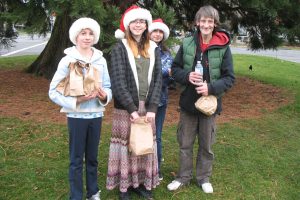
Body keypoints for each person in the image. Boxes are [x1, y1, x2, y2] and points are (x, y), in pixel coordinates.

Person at [167, 5, 235, 194]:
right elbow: (175, 68)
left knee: (206, 145)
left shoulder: (223, 47)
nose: (206, 24)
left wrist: (211, 88)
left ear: (214, 24)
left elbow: (230, 78)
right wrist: (187, 76)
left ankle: (203, 177)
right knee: (185, 144)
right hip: (188, 103)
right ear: (197, 22)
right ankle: (183, 177)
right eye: (203, 21)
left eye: (210, 21)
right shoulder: (187, 43)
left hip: (210, 105)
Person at [49, 17, 112, 200]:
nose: (87, 37)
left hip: (96, 116)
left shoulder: (101, 60)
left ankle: (93, 191)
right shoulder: (67, 61)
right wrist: (77, 100)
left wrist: (104, 96)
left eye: (90, 33)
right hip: (77, 117)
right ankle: (76, 195)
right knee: (76, 159)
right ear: (76, 36)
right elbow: (52, 92)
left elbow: (108, 86)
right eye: (83, 33)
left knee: (92, 157)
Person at [106, 5, 162, 200]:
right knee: (126, 147)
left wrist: (153, 107)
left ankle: (139, 184)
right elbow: (118, 82)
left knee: (143, 145)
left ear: (146, 25)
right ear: (128, 25)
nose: (138, 25)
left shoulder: (153, 48)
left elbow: (158, 81)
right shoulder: (119, 48)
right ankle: (124, 187)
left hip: (148, 108)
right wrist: (132, 109)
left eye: (142, 21)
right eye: (135, 21)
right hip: (126, 107)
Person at [148, 18, 173, 181]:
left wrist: (165, 74)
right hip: (142, 101)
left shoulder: (166, 53)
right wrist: (164, 73)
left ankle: (156, 168)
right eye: (154, 31)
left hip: (160, 101)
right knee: (142, 133)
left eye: (160, 32)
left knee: (156, 134)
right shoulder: (142, 49)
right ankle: (142, 167)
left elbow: (169, 76)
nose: (157, 34)